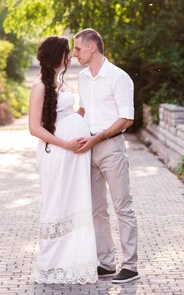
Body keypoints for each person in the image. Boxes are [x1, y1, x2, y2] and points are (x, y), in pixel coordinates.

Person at [28, 36, 98, 285]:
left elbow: (62, 115)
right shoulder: (40, 87)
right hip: (57, 153)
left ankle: (71, 262)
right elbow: (35, 128)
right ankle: (50, 265)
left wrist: (79, 116)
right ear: (58, 56)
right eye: (68, 52)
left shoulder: (60, 82)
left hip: (73, 155)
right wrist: (66, 143)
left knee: (74, 204)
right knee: (57, 204)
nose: (70, 56)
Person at [73, 28, 139, 284]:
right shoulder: (82, 78)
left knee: (123, 206)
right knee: (97, 209)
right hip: (87, 149)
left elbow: (127, 119)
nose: (74, 54)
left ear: (92, 48)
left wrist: (97, 138)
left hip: (111, 147)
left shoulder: (119, 77)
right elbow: (83, 109)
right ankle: (106, 263)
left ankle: (131, 266)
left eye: (77, 48)